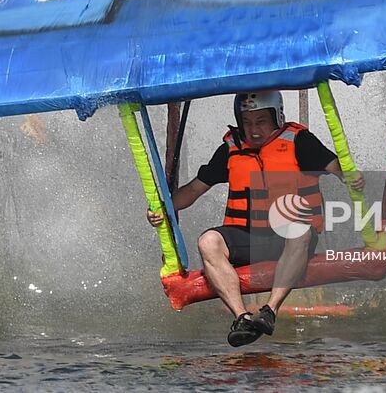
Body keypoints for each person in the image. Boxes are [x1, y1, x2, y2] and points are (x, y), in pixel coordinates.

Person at [147, 91, 364, 347]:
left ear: (277, 117)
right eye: (247, 122)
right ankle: (242, 318)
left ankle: (269, 311)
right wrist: (164, 208)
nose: (254, 130)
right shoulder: (231, 149)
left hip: (289, 238)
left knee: (300, 231)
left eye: (261, 121)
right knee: (208, 241)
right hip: (248, 239)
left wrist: (351, 176)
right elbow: (193, 190)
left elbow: (337, 169)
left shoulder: (299, 142)